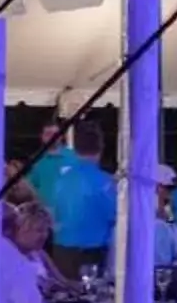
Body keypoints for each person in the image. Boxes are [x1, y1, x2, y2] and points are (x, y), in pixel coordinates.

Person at [32, 121, 117, 282]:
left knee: (66, 299)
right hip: (94, 252)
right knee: (94, 299)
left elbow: (50, 213)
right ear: (101, 147)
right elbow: (115, 217)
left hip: (63, 251)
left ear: (75, 147)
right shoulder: (106, 182)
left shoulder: (60, 180)